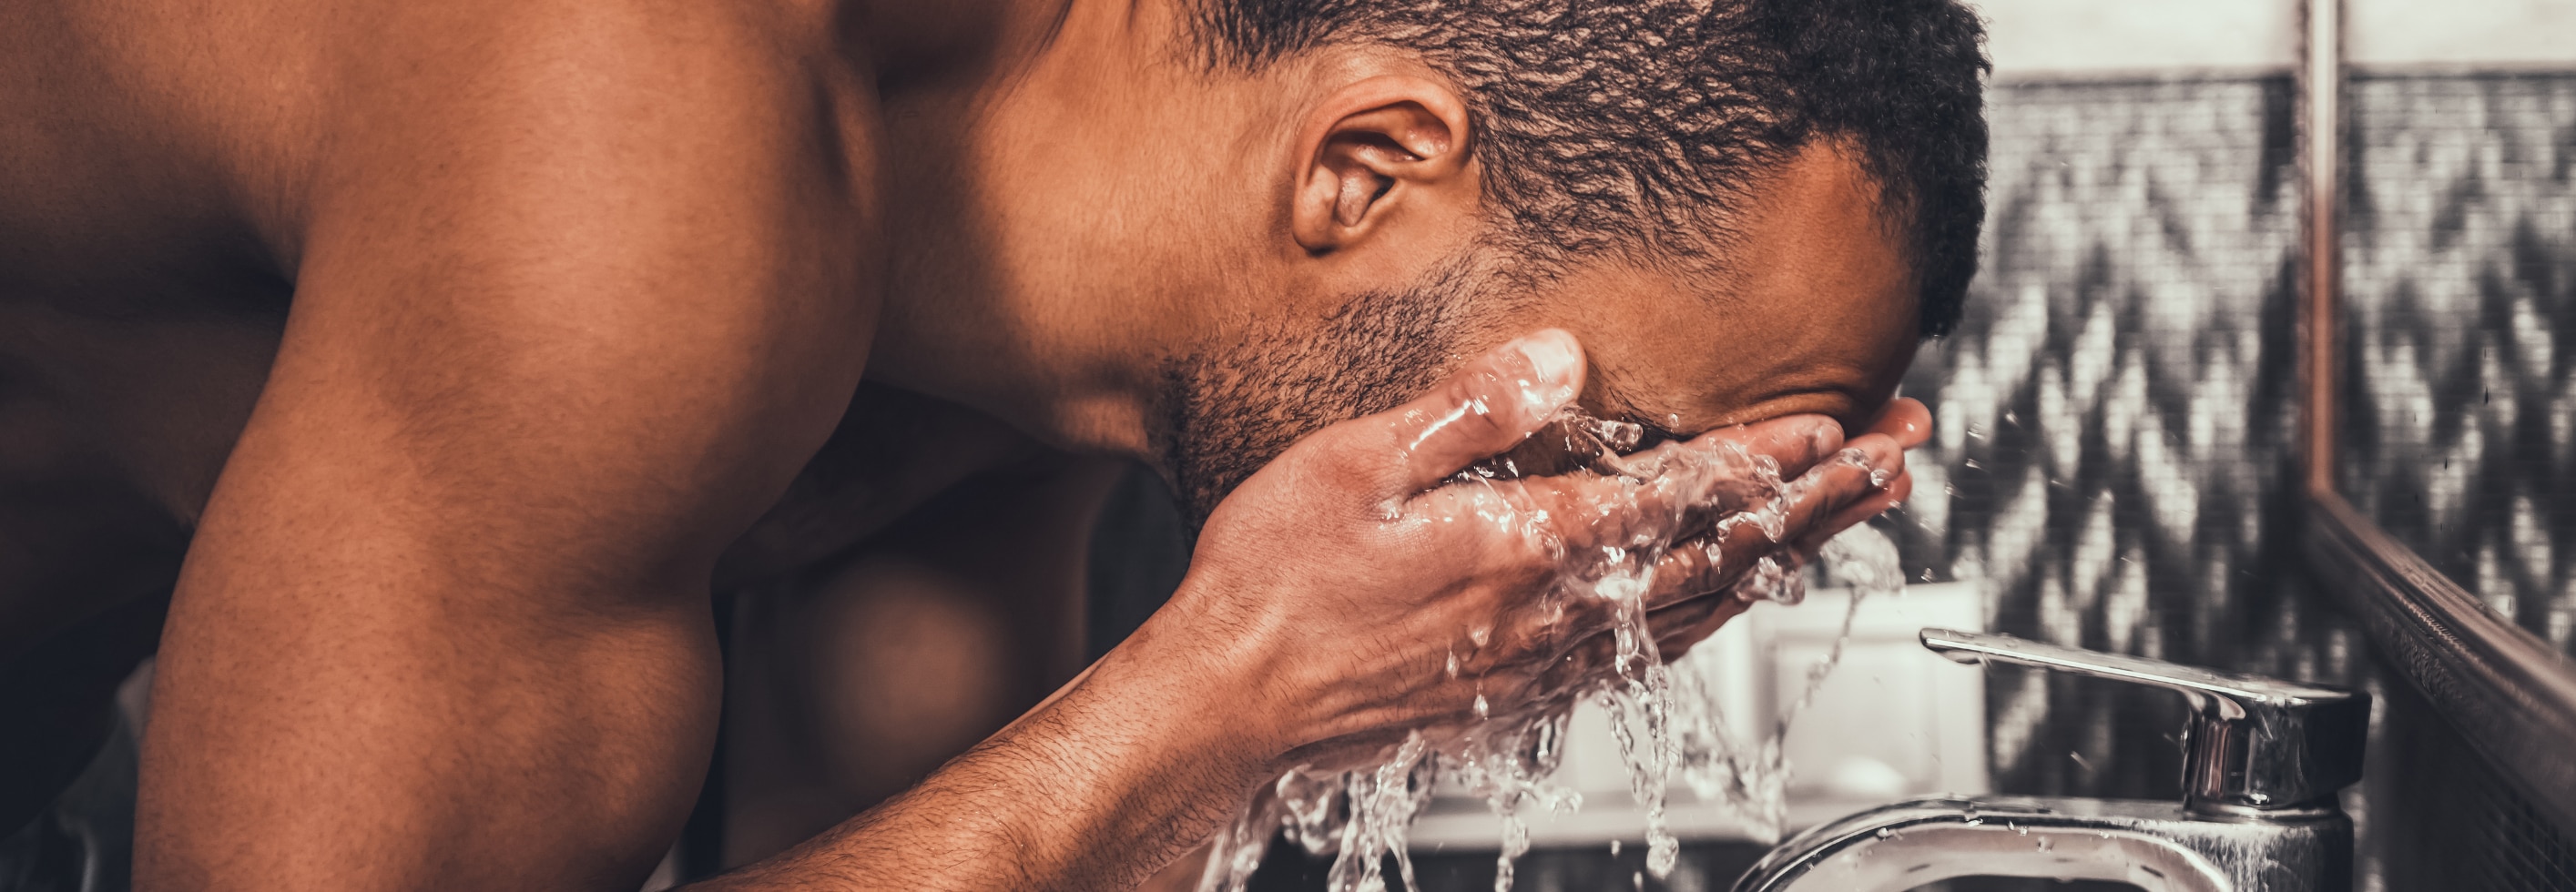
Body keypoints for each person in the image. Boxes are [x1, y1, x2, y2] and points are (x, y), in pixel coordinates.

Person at [0, 0, 1988, 887]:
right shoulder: (634, 131)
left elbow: (902, 844)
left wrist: (1193, 724)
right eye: (1627, 452)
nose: (1614, 554)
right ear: (1369, 170)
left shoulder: (1078, 373)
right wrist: (1216, 707)